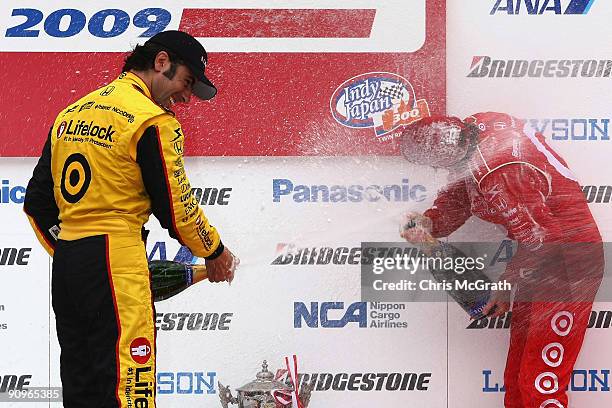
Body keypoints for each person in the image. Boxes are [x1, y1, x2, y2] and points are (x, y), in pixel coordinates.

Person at [23, 30, 239, 407]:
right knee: (130, 384)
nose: (187, 96)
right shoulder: (152, 120)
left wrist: (75, 252)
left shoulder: (71, 113)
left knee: (82, 386)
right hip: (116, 257)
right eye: (187, 82)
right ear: (161, 62)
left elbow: (37, 202)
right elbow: (176, 207)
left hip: (70, 265)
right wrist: (215, 250)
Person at [399, 112, 603, 408]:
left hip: (567, 267)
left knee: (540, 383)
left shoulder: (500, 172)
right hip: (540, 262)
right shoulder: (474, 133)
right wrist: (429, 222)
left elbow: (542, 238)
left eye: (434, 165)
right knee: (517, 378)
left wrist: (506, 284)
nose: (433, 169)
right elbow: (460, 196)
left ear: (447, 157)